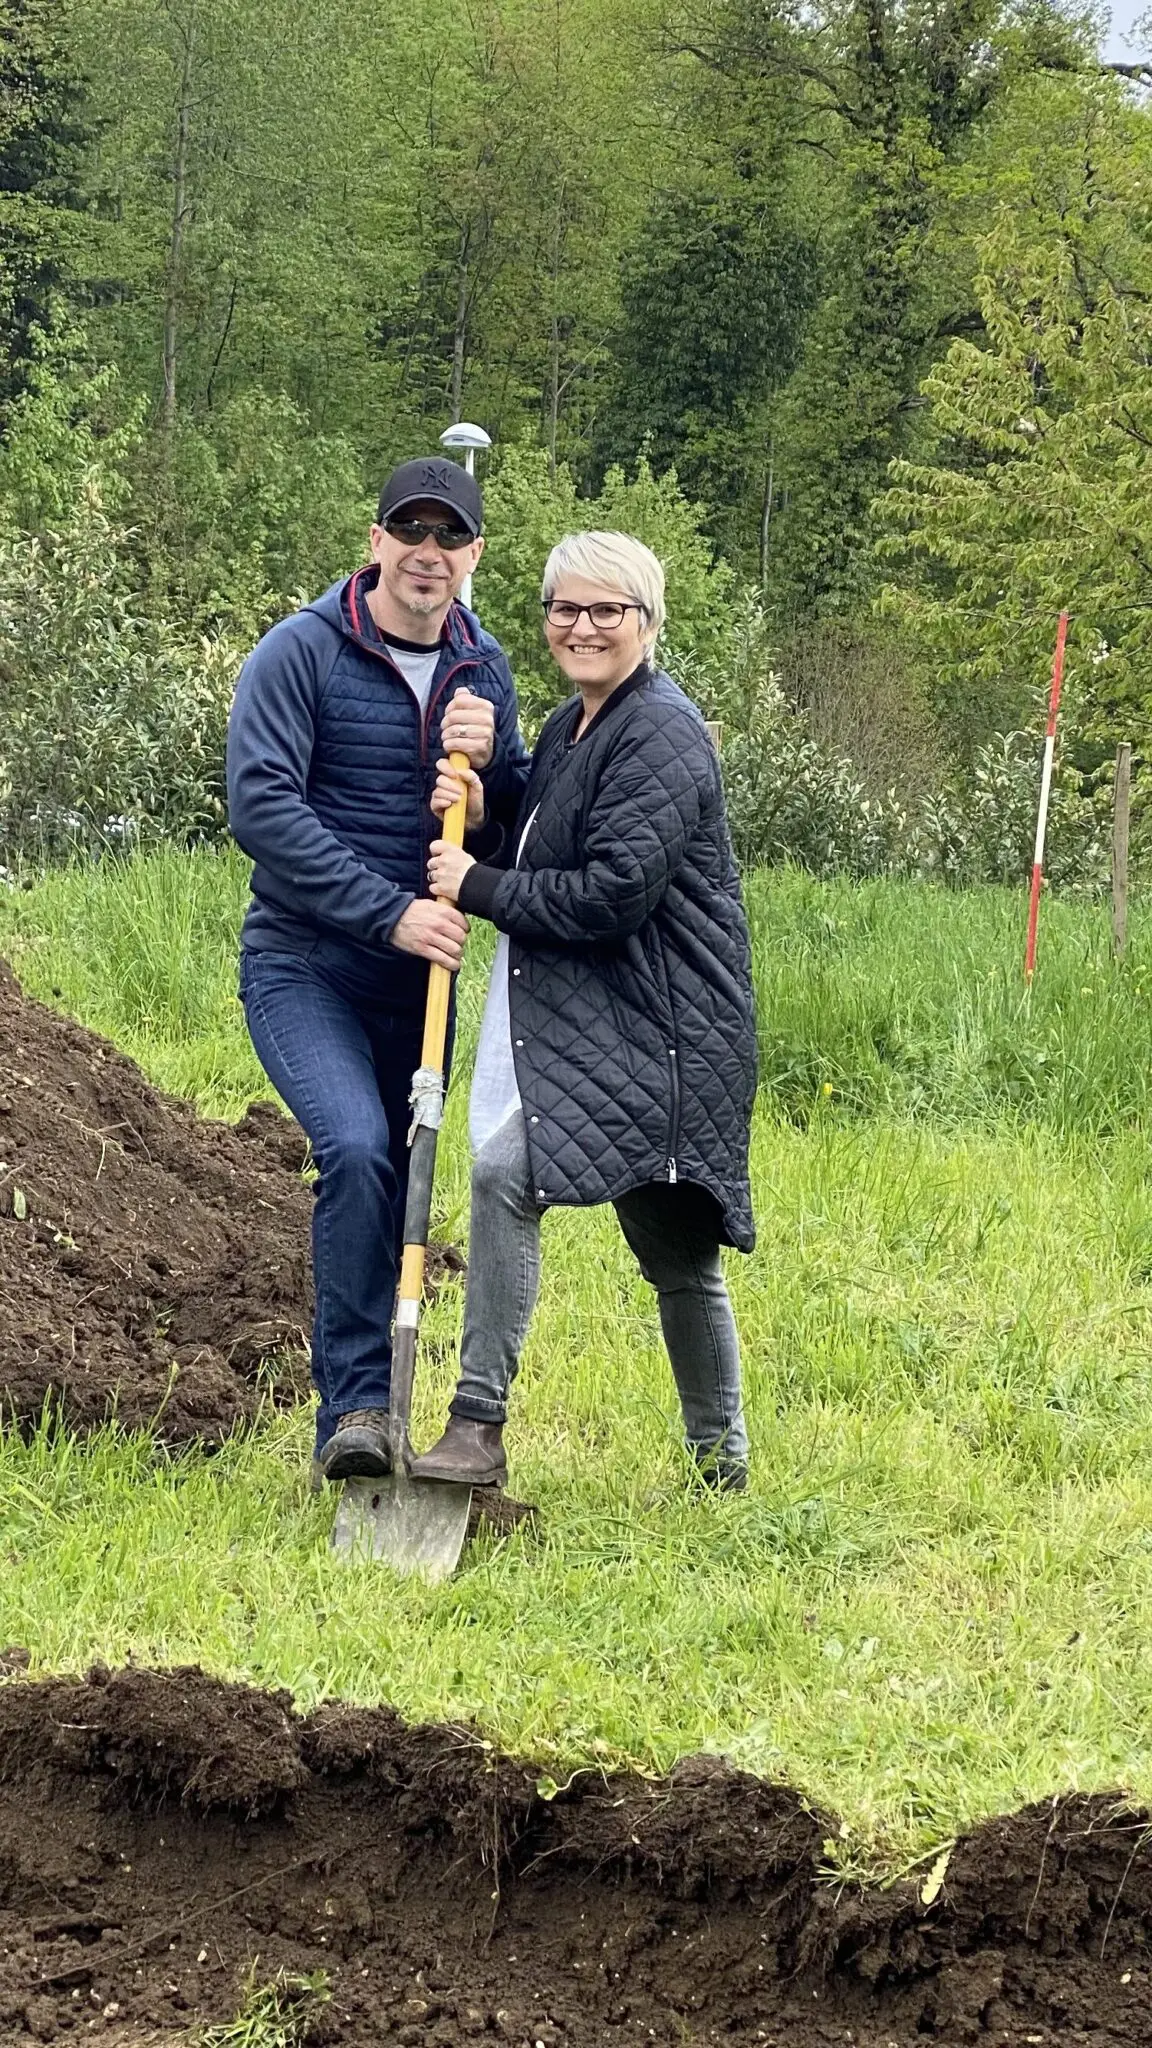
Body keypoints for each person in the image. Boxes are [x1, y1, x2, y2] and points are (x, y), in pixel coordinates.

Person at [411, 530, 757, 1495]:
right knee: (672, 1250)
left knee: (527, 1182)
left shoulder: (662, 733)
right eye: (566, 609)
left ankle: (479, 1423)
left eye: (609, 610)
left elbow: (609, 893)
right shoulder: (580, 724)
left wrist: (474, 883)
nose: (584, 626)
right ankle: (718, 1467)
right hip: (615, 1027)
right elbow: (546, 822)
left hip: (669, 1036)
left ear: (647, 622)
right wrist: (484, 800)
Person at [227, 457, 529, 1484]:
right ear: (376, 541)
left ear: (473, 555)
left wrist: (487, 792)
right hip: (307, 965)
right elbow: (261, 811)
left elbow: (518, 829)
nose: (428, 553)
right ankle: (354, 1410)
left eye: (451, 537)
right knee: (355, 1149)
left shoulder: (485, 671)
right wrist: (387, 912)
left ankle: (399, 1409)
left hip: (423, 982)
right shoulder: (299, 654)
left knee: (405, 1176)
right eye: (412, 530)